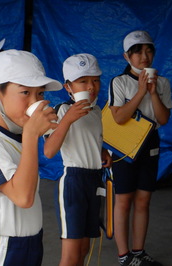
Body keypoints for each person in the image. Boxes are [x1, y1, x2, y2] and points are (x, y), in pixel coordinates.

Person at [0, 49, 62, 266]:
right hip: (4, 247)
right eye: (24, 93)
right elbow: (23, 197)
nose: (34, 102)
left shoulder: (19, 137)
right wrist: (31, 134)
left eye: (39, 94)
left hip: (31, 242)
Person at [108, 30, 172, 266]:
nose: (144, 56)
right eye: (137, 52)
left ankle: (138, 251)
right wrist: (141, 92)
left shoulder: (163, 82)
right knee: (123, 201)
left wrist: (153, 92)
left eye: (148, 50)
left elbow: (163, 119)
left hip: (150, 145)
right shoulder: (120, 82)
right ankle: (124, 256)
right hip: (124, 146)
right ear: (127, 56)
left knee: (144, 200)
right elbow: (119, 118)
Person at [44, 53, 112, 266]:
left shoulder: (96, 111)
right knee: (71, 253)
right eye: (83, 81)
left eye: (95, 80)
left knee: (84, 247)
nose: (91, 86)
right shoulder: (61, 110)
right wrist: (67, 120)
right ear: (68, 87)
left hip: (94, 180)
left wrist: (100, 151)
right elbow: (48, 151)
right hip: (73, 182)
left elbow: (88, 138)